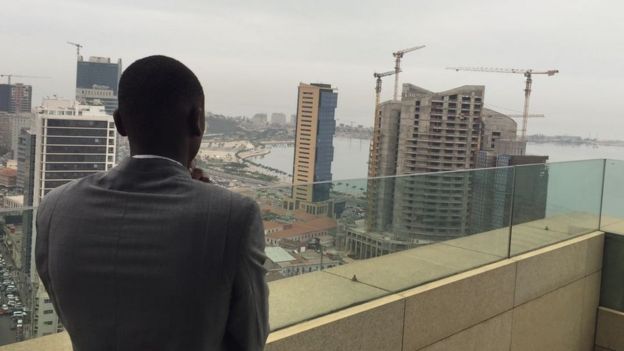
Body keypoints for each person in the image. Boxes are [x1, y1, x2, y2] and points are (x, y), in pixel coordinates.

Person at [35, 55, 269, 351]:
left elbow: (62, 302)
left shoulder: (54, 207)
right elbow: (251, 339)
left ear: (119, 123)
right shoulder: (235, 216)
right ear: (197, 121)